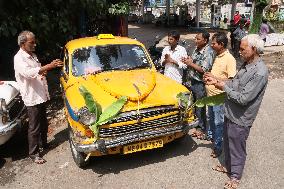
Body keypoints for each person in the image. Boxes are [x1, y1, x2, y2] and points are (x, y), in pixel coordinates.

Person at [205, 34, 268, 189]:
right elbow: (235, 82)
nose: (239, 52)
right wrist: (218, 81)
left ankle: (235, 177)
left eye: (242, 49)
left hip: (241, 117)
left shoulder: (260, 72)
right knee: (228, 143)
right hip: (230, 112)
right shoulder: (246, 64)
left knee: (237, 148)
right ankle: (228, 166)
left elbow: (244, 98)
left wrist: (222, 87)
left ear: (254, 49)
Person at [14, 31, 63, 164]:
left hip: (40, 94)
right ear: (23, 43)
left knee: (43, 122)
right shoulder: (19, 58)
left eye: (34, 41)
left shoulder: (32, 55)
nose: (35, 44)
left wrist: (44, 69)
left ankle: (44, 144)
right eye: (32, 42)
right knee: (34, 126)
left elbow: (37, 71)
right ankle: (34, 153)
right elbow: (28, 73)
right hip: (32, 96)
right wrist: (49, 66)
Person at [203, 32, 236, 158]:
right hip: (211, 96)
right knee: (211, 120)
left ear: (221, 44)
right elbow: (216, 75)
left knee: (218, 123)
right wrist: (208, 77)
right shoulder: (217, 55)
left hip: (219, 98)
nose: (211, 45)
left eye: (214, 43)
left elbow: (232, 81)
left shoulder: (230, 59)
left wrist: (214, 77)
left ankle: (218, 147)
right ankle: (215, 140)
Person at [181, 31, 215, 140]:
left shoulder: (208, 51)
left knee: (200, 107)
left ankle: (202, 128)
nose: (196, 41)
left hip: (200, 83)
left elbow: (204, 69)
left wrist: (190, 63)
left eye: (198, 39)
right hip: (192, 81)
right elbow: (193, 61)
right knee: (195, 105)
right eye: (195, 38)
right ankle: (196, 125)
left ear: (205, 40)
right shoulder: (197, 49)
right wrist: (188, 61)